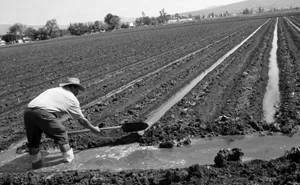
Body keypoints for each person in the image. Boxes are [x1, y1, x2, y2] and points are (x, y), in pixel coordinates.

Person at [24, 77, 101, 169]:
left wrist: (48, 129)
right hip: (43, 113)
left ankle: (36, 167)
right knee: (61, 133)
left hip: (28, 112)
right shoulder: (71, 98)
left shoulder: (53, 90)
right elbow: (81, 120)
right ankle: (70, 165)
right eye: (77, 90)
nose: (77, 92)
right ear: (73, 87)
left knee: (33, 143)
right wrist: (93, 129)